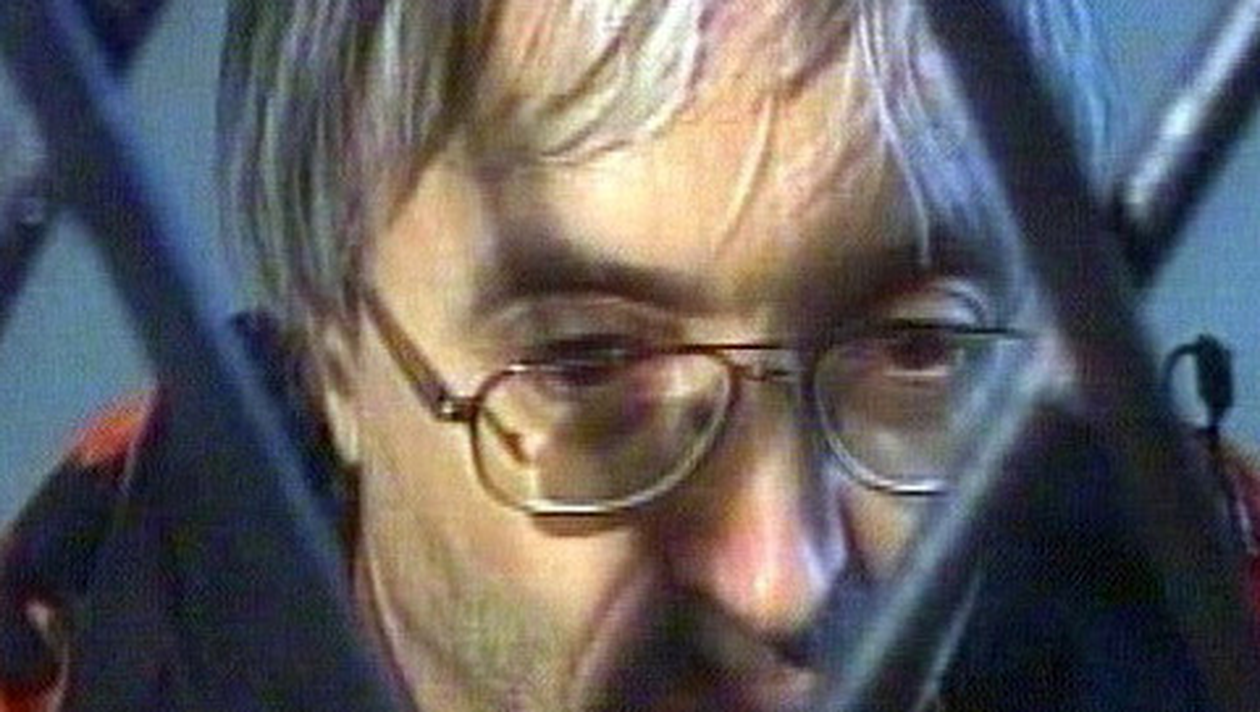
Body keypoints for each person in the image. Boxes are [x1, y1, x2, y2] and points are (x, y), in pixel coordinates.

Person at [3, 0, 1257, 710]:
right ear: (334, 357)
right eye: (589, 362)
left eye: (915, 346)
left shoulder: (1211, 600)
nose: (785, 581)